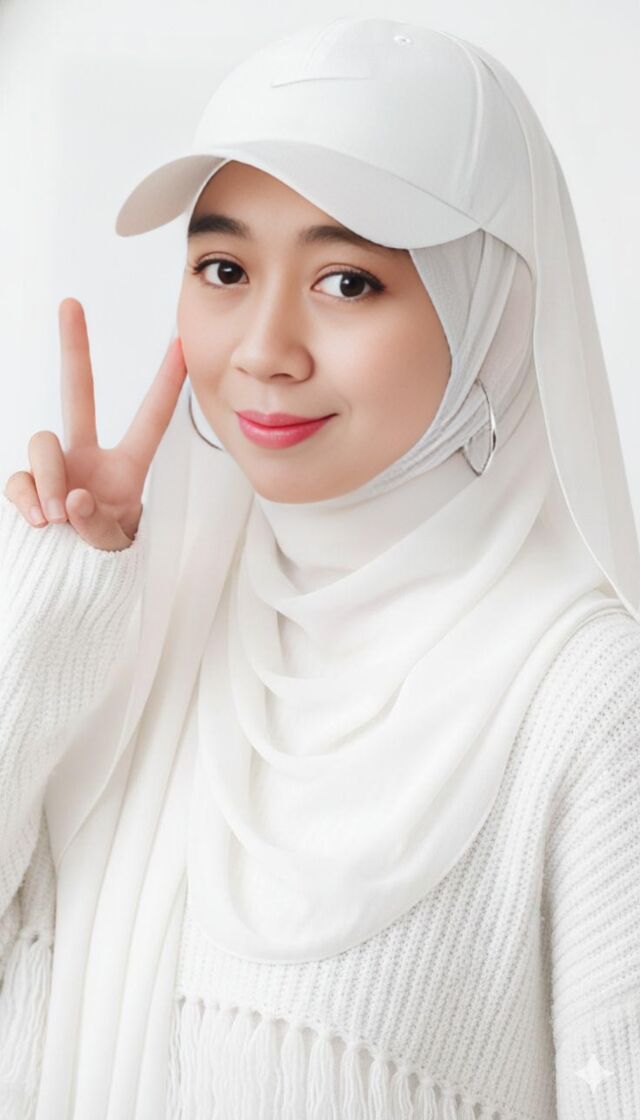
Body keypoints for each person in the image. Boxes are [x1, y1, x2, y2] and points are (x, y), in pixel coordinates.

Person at [1, 15, 639, 1120]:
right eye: (224, 268)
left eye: (348, 282)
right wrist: (53, 607)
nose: (262, 349)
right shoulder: (136, 620)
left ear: (491, 310)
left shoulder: (585, 699)